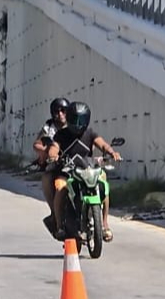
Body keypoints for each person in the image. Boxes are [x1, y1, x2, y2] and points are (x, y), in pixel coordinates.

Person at [46, 101, 121, 242]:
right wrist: (53, 155)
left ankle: (104, 224)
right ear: (69, 118)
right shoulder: (62, 135)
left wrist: (111, 152)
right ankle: (59, 225)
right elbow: (54, 147)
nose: (78, 124)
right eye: (75, 119)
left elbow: (103, 144)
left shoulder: (90, 133)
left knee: (103, 184)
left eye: (82, 120)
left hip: (88, 169)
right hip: (68, 170)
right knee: (61, 189)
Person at [35, 98, 71, 232]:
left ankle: (100, 222)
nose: (60, 114)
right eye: (57, 111)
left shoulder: (75, 124)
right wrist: (47, 152)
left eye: (64, 111)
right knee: (47, 179)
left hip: (75, 163)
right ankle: (55, 214)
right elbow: (37, 144)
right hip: (56, 165)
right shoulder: (48, 128)